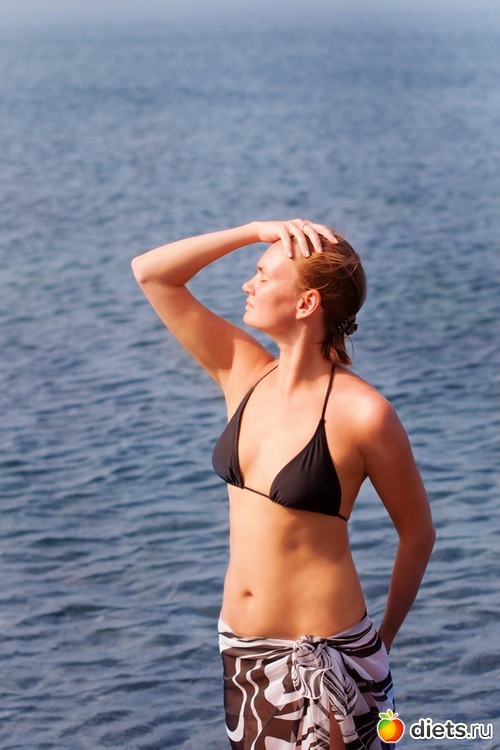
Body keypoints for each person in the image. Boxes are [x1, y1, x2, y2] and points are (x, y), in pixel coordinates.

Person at [131, 219, 436, 750]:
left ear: (306, 304)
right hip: (241, 652)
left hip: (323, 656)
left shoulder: (365, 414)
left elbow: (418, 533)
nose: (247, 284)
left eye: (263, 275)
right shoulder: (242, 371)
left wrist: (381, 641)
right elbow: (152, 274)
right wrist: (255, 230)